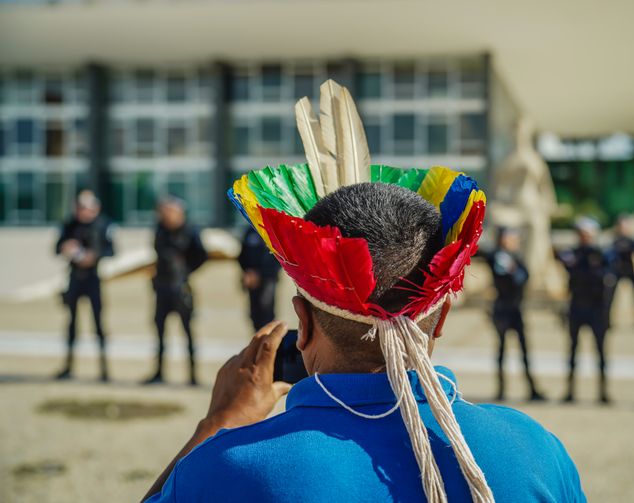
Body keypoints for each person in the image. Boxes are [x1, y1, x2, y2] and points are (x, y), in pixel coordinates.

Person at [143, 80, 584, 503]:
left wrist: (218, 423)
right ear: (442, 316)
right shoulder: (537, 452)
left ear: (304, 320)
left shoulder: (224, 469)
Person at [144, 197, 208, 386]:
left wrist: (185, 270)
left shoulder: (190, 230)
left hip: (181, 288)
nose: (165, 216)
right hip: (162, 288)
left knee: (188, 332)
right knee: (159, 331)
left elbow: (201, 256)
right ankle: (159, 373)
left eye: (169, 212)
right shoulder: (159, 229)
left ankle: (193, 375)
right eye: (162, 212)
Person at [55, 190, 114, 382]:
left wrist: (93, 256)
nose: (83, 211)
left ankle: (104, 369)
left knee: (98, 323)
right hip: (74, 278)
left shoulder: (103, 225)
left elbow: (111, 249)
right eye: (80, 207)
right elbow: (56, 248)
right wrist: (66, 247)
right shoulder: (69, 224)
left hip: (93, 279)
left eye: (87, 207)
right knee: (72, 323)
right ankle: (68, 366)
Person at [556, 217, 614, 404]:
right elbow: (560, 259)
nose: (584, 237)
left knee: (600, 351)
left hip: (596, 308)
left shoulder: (602, 254)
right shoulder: (573, 254)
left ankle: (603, 392)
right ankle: (570, 390)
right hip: (577, 305)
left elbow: (609, 279)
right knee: (573, 350)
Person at [484, 226, 545, 402]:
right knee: (502, 350)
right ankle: (501, 389)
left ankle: (532, 388)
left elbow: (524, 277)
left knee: (524, 350)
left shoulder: (516, 258)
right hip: (502, 309)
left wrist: (513, 269)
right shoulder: (496, 256)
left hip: (516, 310)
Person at [238, 225, 281, 332]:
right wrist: (247, 271)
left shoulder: (273, 229)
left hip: (268, 279)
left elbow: (278, 258)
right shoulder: (250, 230)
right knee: (254, 313)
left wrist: (260, 274)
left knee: (266, 311)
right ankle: (257, 341)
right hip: (252, 280)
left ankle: (269, 343)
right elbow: (242, 254)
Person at [605, 215, 634, 327]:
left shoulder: (633, 242)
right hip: (616, 271)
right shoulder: (614, 241)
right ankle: (607, 320)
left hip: (631, 271)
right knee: (609, 297)